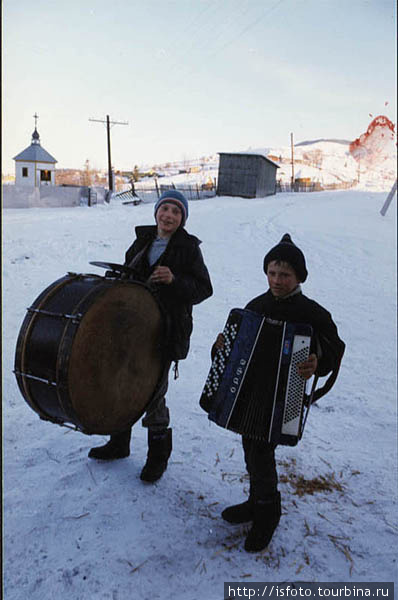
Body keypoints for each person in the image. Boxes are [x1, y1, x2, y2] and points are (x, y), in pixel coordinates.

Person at [211, 233, 345, 552]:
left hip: (286, 398)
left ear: (299, 277)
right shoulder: (256, 306)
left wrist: (318, 360)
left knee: (261, 453)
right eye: (272, 273)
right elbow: (233, 353)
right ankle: (255, 501)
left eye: (284, 274)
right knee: (250, 446)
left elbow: (334, 348)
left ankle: (268, 514)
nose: (277, 280)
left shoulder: (312, 313)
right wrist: (222, 347)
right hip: (251, 397)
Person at [89, 190, 213, 483]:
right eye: (165, 209)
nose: (169, 215)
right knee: (120, 383)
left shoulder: (188, 248)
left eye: (176, 211)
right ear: (156, 212)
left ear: (182, 218)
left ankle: (158, 457)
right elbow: (128, 277)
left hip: (164, 331)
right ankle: (119, 444)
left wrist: (175, 280)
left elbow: (204, 289)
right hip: (132, 327)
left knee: (152, 392)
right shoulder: (143, 240)